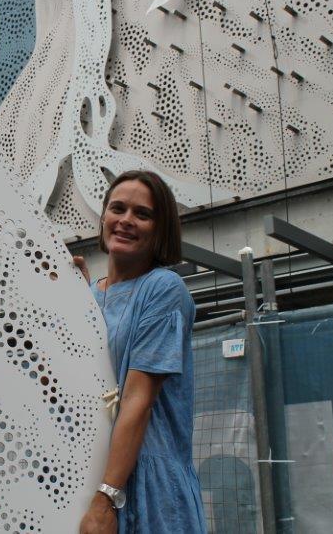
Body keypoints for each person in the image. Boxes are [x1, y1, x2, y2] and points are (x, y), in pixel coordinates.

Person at [78, 170, 206, 534]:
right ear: (103, 217)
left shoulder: (163, 289)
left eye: (143, 214)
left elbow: (137, 399)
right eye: (117, 208)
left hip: (145, 487)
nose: (126, 220)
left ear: (160, 228)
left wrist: (105, 501)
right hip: (89, 478)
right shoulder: (88, 295)